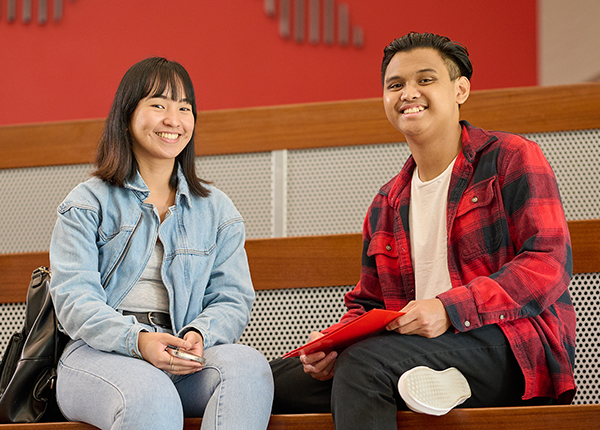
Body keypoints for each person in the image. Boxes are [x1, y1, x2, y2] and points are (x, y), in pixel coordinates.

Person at [270, 32, 576, 429]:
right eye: (395, 85)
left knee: (364, 368)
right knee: (270, 381)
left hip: (513, 347)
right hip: (412, 352)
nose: (407, 93)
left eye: (425, 80)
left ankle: (442, 380)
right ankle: (434, 383)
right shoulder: (387, 202)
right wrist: (329, 346)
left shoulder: (510, 157)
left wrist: (449, 309)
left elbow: (546, 264)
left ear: (460, 89)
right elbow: (367, 307)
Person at [49, 57, 273, 430]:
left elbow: (232, 299)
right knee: (151, 393)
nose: (174, 119)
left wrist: (199, 334)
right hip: (96, 353)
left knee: (250, 369)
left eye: (184, 108)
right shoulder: (86, 202)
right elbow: (75, 301)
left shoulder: (217, 209)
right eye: (158, 105)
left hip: (181, 353)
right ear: (127, 115)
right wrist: (140, 341)